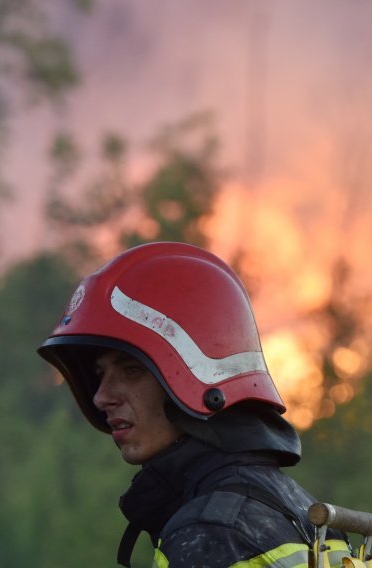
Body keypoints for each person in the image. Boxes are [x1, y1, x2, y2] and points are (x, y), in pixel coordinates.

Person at [38, 242, 350, 567]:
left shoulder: (214, 534)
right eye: (100, 375)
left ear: (201, 378)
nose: (101, 397)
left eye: (131, 370)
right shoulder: (304, 516)